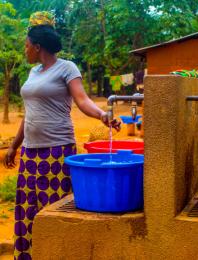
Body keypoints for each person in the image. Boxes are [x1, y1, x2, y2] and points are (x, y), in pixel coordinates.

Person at [2, 12, 120, 260]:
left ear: (37, 46)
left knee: (52, 207)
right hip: (30, 153)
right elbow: (29, 114)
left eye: (26, 46)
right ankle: (29, 255)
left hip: (56, 150)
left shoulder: (67, 67)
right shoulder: (34, 73)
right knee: (27, 209)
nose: (24, 51)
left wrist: (102, 115)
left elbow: (82, 99)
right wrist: (14, 145)